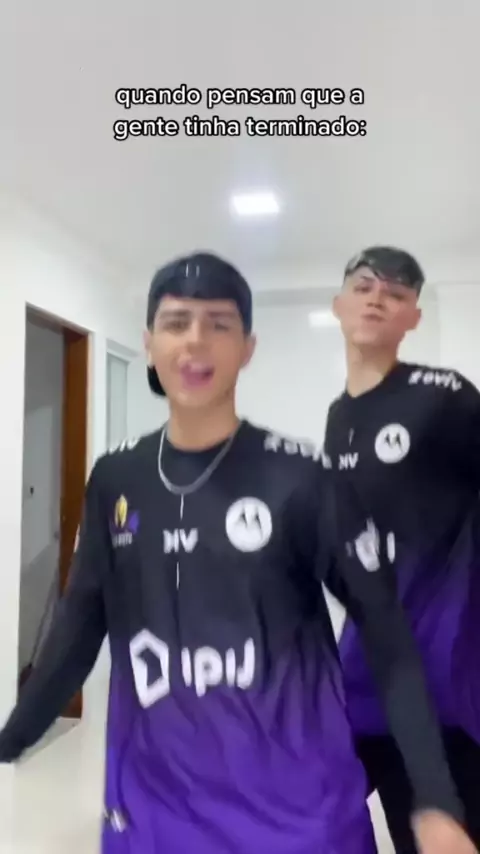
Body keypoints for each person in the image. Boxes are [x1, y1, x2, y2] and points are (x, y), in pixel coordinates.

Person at [0, 251, 473, 854]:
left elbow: (388, 639)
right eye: (176, 322)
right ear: (148, 343)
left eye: (219, 324)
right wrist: (10, 740)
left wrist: (435, 798)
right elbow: (77, 629)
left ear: (248, 348)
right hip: (155, 815)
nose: (195, 341)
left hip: (299, 819)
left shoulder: (304, 478)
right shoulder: (117, 478)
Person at [326, 244, 480, 852]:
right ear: (339, 304)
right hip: (366, 673)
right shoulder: (340, 416)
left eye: (395, 293)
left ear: (413, 317)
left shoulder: (443, 397)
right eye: (364, 286)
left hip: (443, 682)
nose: (376, 299)